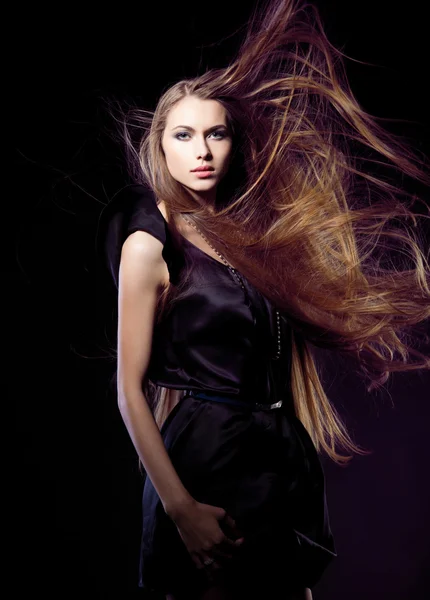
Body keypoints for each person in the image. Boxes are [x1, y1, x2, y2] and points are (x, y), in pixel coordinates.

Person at [96, 0, 430, 598]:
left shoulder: (243, 236)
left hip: (278, 460)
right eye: (184, 135)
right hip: (205, 461)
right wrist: (181, 511)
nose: (203, 150)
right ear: (162, 146)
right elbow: (128, 388)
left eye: (216, 133)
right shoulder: (151, 242)